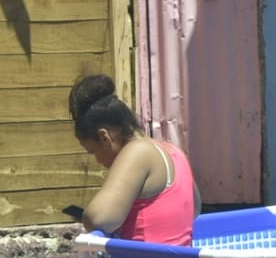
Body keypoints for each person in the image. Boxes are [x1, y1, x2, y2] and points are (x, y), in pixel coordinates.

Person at [68, 73, 201, 245]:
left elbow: (98, 219)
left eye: (93, 152)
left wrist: (86, 216)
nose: (98, 161)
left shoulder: (137, 152)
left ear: (104, 137)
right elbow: (194, 209)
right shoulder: (174, 152)